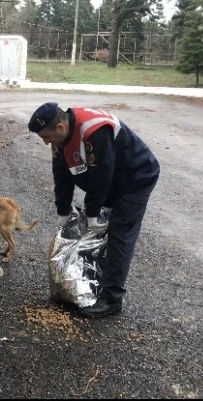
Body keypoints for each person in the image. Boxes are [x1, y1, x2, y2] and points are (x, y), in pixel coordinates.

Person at [28, 103, 160, 318]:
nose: (45, 142)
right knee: (99, 235)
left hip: (136, 178)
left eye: (47, 136)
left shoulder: (94, 130)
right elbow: (61, 176)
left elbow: (102, 174)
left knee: (120, 234)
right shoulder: (60, 140)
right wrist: (63, 211)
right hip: (113, 180)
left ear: (60, 127)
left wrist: (92, 213)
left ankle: (112, 299)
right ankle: (95, 282)